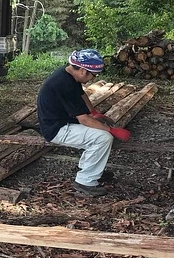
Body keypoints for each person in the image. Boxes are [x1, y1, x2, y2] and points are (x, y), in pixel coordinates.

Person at [36, 49, 131, 197]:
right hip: (56, 129)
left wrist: (94, 113)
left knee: (99, 132)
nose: (93, 78)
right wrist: (111, 130)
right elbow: (84, 120)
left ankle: (90, 168)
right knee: (103, 137)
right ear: (82, 70)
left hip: (62, 121)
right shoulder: (64, 84)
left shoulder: (67, 73)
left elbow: (81, 94)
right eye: (93, 75)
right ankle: (85, 181)